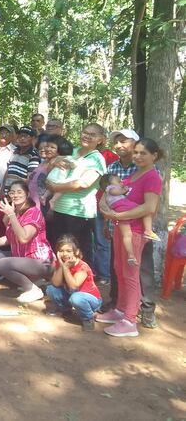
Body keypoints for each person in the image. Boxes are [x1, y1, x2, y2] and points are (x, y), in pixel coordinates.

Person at [97, 138, 163, 337]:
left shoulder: (152, 177)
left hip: (134, 231)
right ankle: (120, 310)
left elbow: (149, 208)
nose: (138, 156)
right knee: (119, 269)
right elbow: (108, 194)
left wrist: (116, 216)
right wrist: (107, 211)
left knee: (131, 274)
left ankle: (130, 320)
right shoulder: (134, 175)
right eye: (136, 152)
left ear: (154, 156)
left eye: (143, 153)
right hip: (121, 228)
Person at [0, 180, 55, 303]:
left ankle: (32, 289)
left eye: (19, 192)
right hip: (23, 256)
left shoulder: (33, 212)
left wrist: (11, 215)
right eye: (12, 192)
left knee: (2, 264)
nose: (15, 195)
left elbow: (23, 238)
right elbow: (10, 237)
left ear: (27, 194)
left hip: (42, 261)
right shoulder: (16, 212)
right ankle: (36, 281)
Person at [46, 122, 107, 256]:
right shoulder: (71, 151)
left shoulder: (97, 159)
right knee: (59, 248)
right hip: (58, 209)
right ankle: (62, 276)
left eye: (92, 135)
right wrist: (52, 162)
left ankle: (82, 277)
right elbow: (50, 167)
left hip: (79, 212)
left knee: (78, 251)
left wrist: (55, 187)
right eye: (85, 132)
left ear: (100, 139)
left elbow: (84, 183)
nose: (87, 136)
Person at [46, 234, 102, 331]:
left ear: (76, 252)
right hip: (73, 295)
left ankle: (88, 318)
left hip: (90, 299)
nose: (65, 254)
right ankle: (66, 310)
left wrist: (66, 268)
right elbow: (56, 283)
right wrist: (62, 265)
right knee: (51, 289)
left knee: (76, 298)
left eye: (68, 251)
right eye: (61, 251)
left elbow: (73, 286)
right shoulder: (61, 263)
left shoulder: (82, 266)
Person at [29, 134, 72, 217]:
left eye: (52, 147)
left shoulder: (59, 163)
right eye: (47, 146)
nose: (47, 149)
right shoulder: (43, 162)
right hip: (33, 204)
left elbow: (58, 182)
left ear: (59, 149)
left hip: (44, 206)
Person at [2, 126, 40, 193]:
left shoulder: (33, 156)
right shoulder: (14, 151)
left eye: (26, 136)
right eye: (20, 136)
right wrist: (2, 189)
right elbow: (8, 171)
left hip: (20, 194)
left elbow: (31, 179)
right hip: (7, 191)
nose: (22, 138)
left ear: (33, 139)